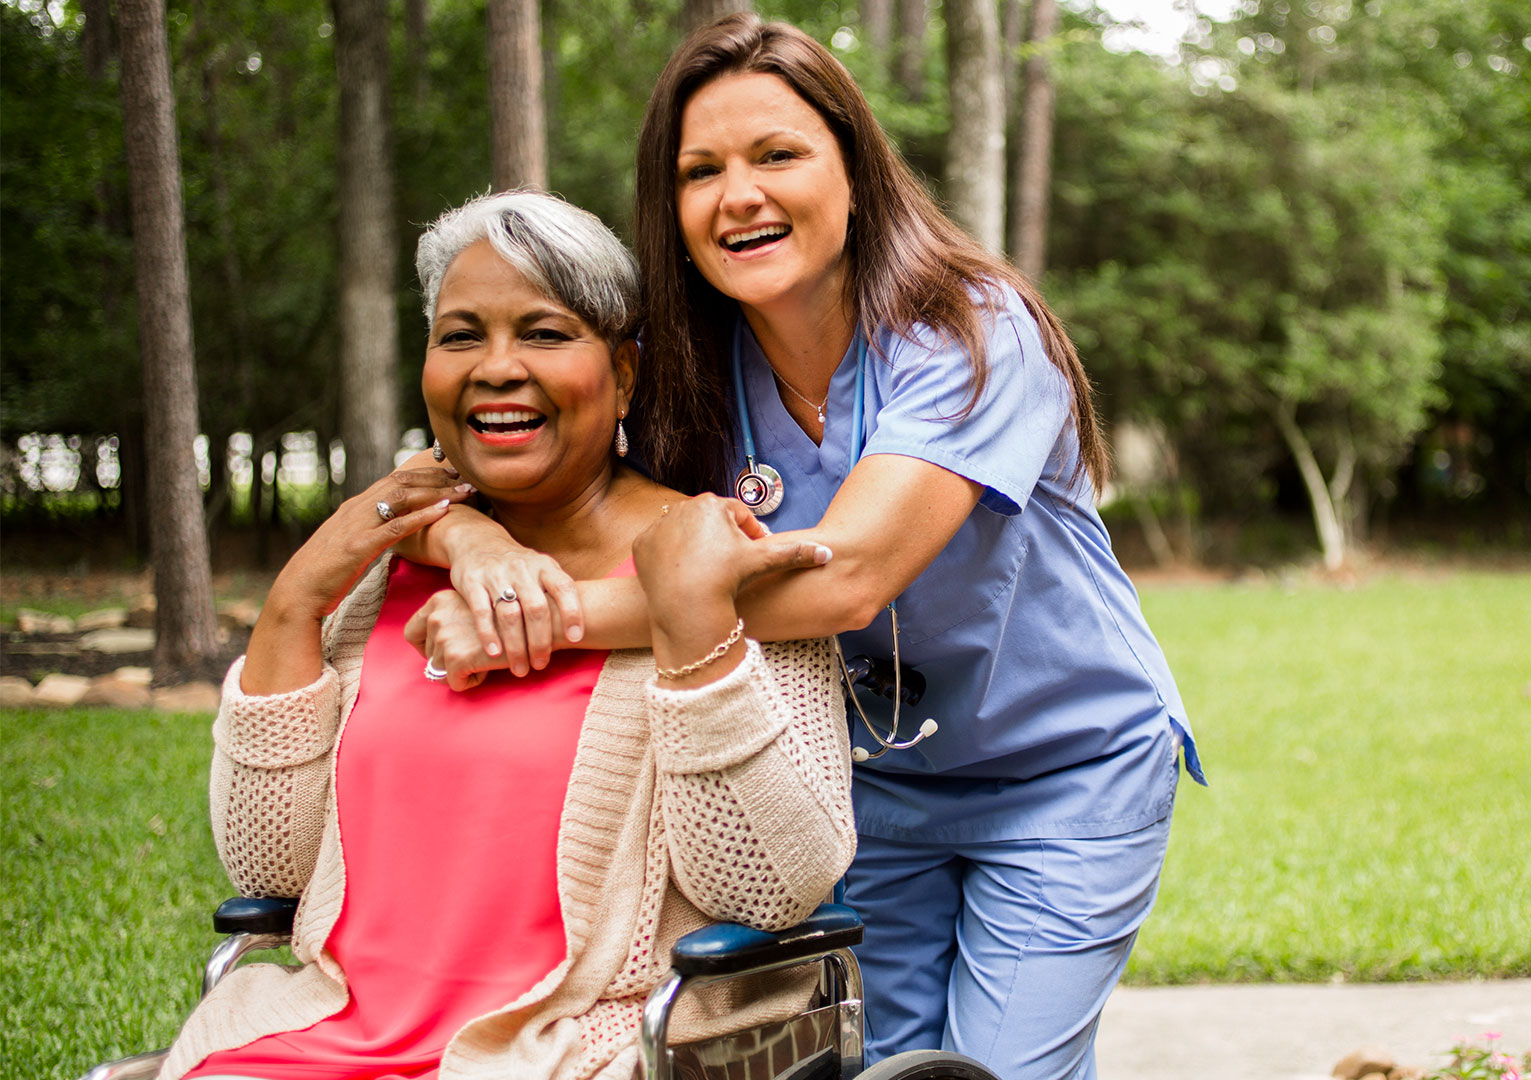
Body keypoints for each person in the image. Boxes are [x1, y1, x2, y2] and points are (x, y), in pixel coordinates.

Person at [405, 16, 1205, 1080]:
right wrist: (470, 542)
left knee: (1004, 1072)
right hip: (868, 786)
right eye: (702, 171)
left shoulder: (975, 332)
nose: (740, 195)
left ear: (856, 173)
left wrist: (544, 622)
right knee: (872, 1067)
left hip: (1062, 769)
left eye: (776, 154)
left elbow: (847, 577)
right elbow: (470, 461)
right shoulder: (692, 376)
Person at [160, 189, 856, 1080]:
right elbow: (269, 867)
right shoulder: (376, 577)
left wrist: (695, 636)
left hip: (584, 1044)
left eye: (543, 333)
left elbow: (770, 887)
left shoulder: (713, 561)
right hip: (334, 1032)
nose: (496, 367)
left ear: (625, 375)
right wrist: (296, 599)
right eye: (460, 335)